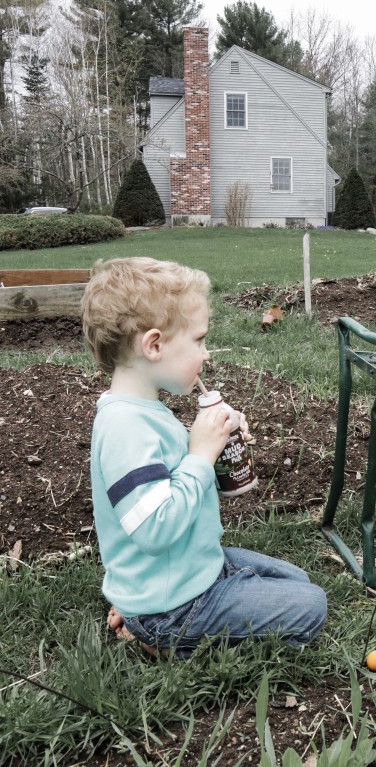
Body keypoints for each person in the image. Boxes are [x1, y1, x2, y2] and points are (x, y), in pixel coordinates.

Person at [81, 257, 327, 657]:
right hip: (174, 605)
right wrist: (200, 454)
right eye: (198, 340)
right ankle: (155, 632)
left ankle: (137, 607)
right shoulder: (124, 427)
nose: (207, 354)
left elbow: (172, 480)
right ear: (154, 345)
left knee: (298, 580)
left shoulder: (143, 410)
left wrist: (217, 444)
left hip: (186, 570)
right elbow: (155, 530)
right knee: (311, 607)